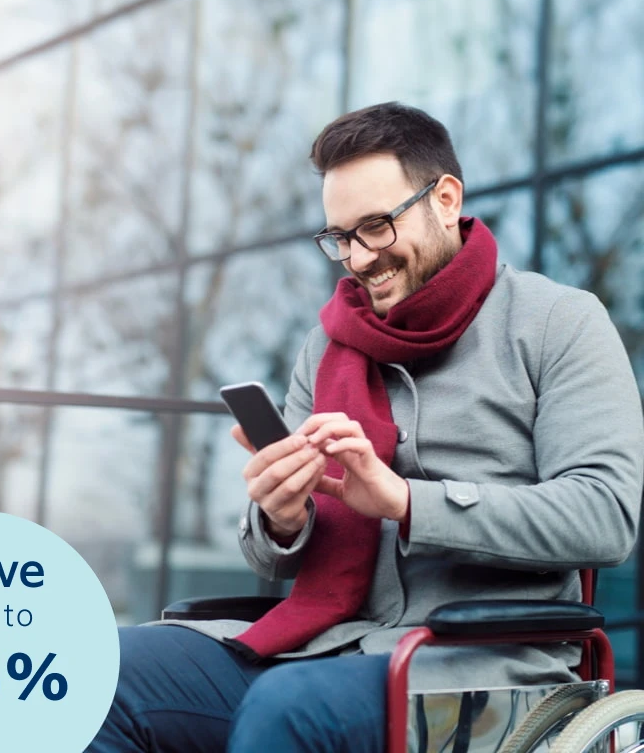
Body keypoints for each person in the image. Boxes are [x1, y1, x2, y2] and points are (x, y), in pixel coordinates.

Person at [88, 102, 644, 752]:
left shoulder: (560, 323)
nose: (356, 258)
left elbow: (606, 515)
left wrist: (407, 504)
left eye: (376, 227)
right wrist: (281, 515)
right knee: (99, 672)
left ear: (445, 198)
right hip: (317, 647)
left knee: (290, 710)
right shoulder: (326, 347)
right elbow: (270, 557)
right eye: (339, 237)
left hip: (476, 664)